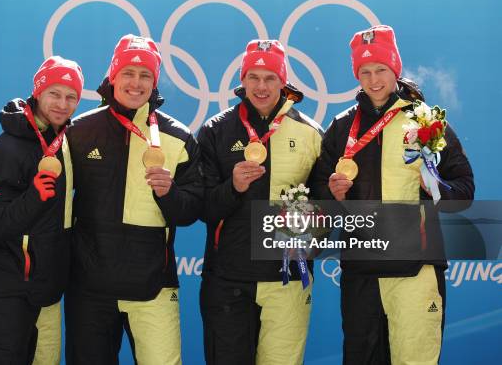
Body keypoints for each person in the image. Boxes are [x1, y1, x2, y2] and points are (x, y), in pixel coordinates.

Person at [310, 25, 474, 364]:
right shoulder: (342, 127)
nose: (373, 80)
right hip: (362, 270)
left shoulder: (426, 121)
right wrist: (332, 191)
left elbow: (465, 191)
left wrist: (435, 187)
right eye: (364, 72)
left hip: (417, 268)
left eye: (380, 70)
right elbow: (316, 196)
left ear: (395, 69)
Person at [65, 34, 203, 365]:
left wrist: (169, 194)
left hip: (152, 285)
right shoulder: (79, 131)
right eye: (128, 72)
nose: (136, 83)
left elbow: (192, 210)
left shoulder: (178, 138)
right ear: (113, 76)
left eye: (145, 75)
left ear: (154, 82)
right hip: (89, 288)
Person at [197, 39, 323, 364]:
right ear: (242, 80)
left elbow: (326, 211)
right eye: (253, 77)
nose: (261, 86)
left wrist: (308, 231)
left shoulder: (311, 133)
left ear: (283, 81)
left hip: (287, 280)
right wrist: (233, 187)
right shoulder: (216, 130)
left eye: (270, 78)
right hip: (228, 280)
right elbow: (203, 208)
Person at [0, 56, 84, 364]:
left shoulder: (60, 141)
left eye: (71, 97)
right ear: (38, 92)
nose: (62, 103)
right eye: (54, 94)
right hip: (0, 292)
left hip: (35, 289)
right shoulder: (5, 148)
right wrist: (34, 197)